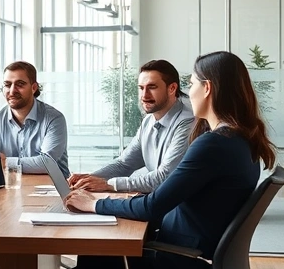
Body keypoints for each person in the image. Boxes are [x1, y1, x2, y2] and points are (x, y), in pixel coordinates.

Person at [50, 51, 276, 269]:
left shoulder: (214, 144)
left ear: (208, 88)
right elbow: (155, 193)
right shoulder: (238, 140)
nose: (188, 91)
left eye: (190, 83)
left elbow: (153, 204)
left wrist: (93, 203)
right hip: (201, 265)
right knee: (95, 259)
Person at [68, 60, 194, 193]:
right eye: (141, 88)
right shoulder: (148, 121)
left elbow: (165, 178)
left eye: (152, 87)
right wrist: (89, 178)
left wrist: (110, 184)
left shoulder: (188, 122)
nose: (144, 95)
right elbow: (124, 164)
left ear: (172, 88)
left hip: (178, 208)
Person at [0, 61, 70, 177]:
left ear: (34, 88)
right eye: (7, 85)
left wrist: (6, 162)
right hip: (11, 187)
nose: (12, 91)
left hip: (52, 189)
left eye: (20, 84)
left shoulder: (54, 119)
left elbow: (48, 163)